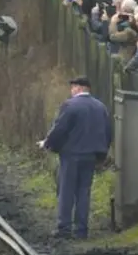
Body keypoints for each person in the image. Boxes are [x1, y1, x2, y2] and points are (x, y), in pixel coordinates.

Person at [37, 77, 112, 239]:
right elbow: (108, 132)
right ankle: (81, 230)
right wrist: (102, 153)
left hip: (71, 155)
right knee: (84, 191)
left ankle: (64, 228)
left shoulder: (70, 106)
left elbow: (60, 129)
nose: (71, 91)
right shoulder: (101, 107)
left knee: (66, 190)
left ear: (78, 88)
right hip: (91, 155)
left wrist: (48, 144)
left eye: (73, 88)